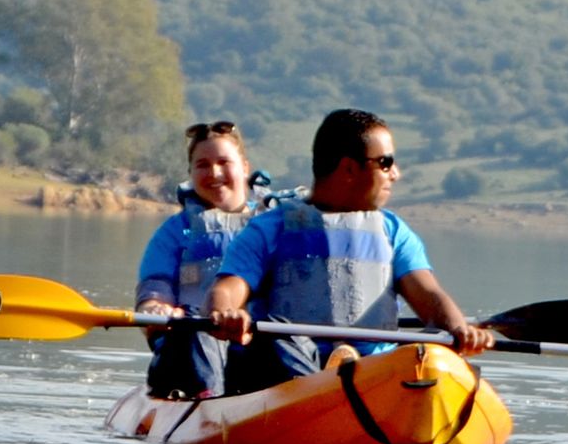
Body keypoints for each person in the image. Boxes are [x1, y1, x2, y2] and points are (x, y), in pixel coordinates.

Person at [208, 106, 496, 380]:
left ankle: (351, 385)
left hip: (372, 374)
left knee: (432, 347)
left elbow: (430, 296)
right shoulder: (269, 229)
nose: (395, 174)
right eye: (385, 163)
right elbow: (228, 287)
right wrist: (225, 313)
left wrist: (460, 330)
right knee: (273, 338)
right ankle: (325, 387)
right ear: (348, 168)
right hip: (290, 367)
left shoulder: (394, 232)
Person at [135, 120, 267, 400]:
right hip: (190, 351)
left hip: (254, 349)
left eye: (223, 162)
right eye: (203, 165)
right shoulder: (174, 232)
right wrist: (155, 307)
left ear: (244, 167)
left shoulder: (273, 225)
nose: (214, 173)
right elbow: (155, 285)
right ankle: (207, 403)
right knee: (193, 331)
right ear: (191, 173)